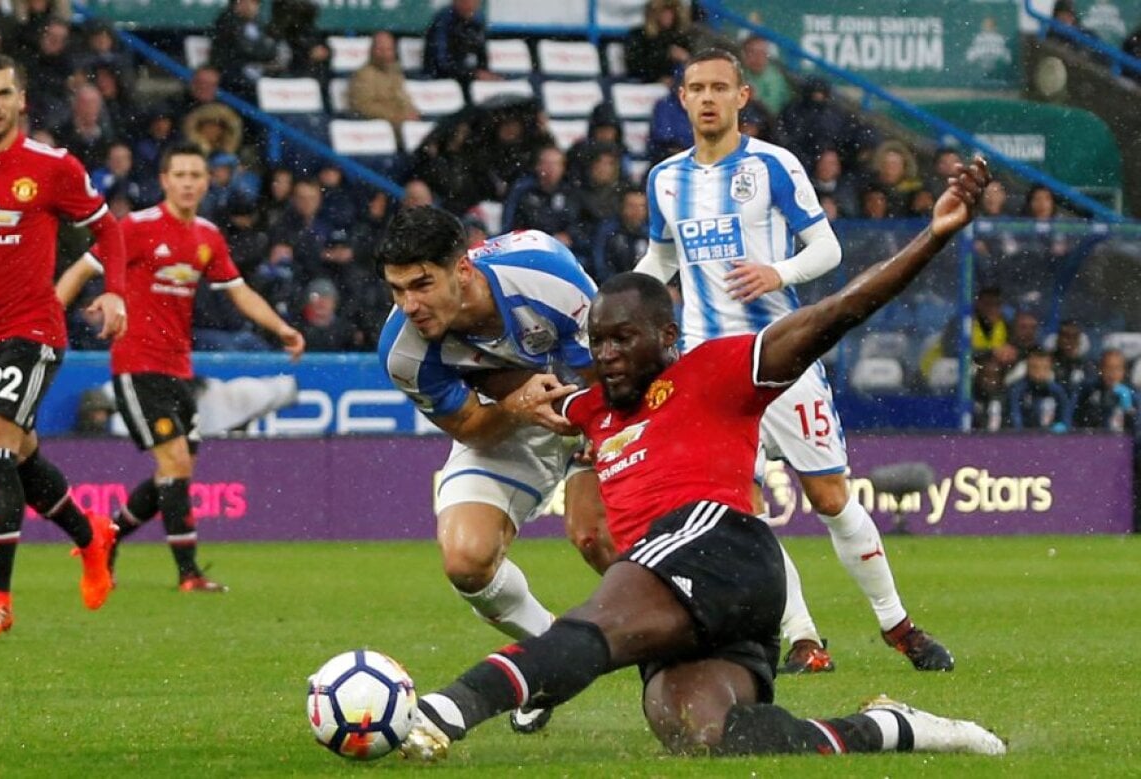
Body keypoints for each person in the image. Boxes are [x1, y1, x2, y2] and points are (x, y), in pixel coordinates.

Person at [399, 159, 1006, 762]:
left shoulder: (717, 370)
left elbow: (837, 312)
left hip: (716, 545)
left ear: (667, 338)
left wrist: (933, 237)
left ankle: (443, 712)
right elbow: (499, 381)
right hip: (696, 603)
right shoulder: (590, 410)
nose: (606, 355)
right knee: (713, 735)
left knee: (594, 626)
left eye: (623, 339)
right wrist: (507, 398)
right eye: (599, 340)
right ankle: (895, 728)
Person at [634, 48, 953, 673]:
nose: (706, 98)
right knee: (734, 509)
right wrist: (615, 303)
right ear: (682, 99)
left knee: (830, 496)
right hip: (708, 370)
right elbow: (660, 262)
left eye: (718, 87)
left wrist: (775, 270)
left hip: (781, 356)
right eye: (695, 87)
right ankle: (804, 639)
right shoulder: (665, 179)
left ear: (742, 97)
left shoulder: (774, 166)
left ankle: (898, 626)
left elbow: (828, 249)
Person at [375, 206, 609, 733]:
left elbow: (611, 373)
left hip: (595, 402)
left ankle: (697, 650)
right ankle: (548, 653)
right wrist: (515, 407)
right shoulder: (403, 352)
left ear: (463, 270)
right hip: (510, 421)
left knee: (599, 539)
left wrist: (597, 431)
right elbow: (471, 428)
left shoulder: (545, 277)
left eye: (421, 284)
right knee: (465, 559)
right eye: (396, 290)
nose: (410, 305)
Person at [56, 141, 305, 592]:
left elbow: (239, 291)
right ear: (165, 181)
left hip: (178, 370)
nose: (189, 183)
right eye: (181, 175)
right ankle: (188, 573)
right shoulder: (136, 227)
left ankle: (106, 536)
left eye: (197, 175)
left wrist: (282, 328)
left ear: (206, 182)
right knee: (173, 462)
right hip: (136, 364)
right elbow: (82, 268)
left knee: (178, 468)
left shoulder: (207, 236)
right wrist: (49, 319)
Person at [0, 53, 127, 639]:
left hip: (33, 330)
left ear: (21, 100)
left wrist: (117, 293)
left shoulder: (53, 167)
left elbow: (109, 229)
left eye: (4, 94)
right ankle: (90, 534)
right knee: (17, 458)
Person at [348, 31, 420, 133]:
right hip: (380, 127)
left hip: (403, 123)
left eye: (389, 49)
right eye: (380, 49)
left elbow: (404, 98)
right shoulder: (363, 75)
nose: (385, 53)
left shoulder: (395, 73)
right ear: (372, 50)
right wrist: (397, 116)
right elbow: (363, 106)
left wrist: (411, 112)